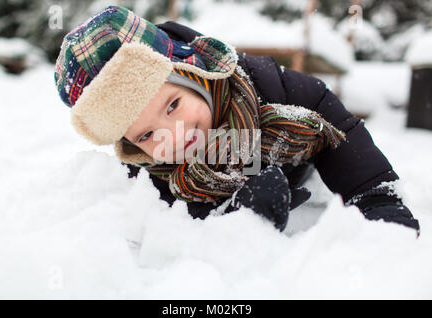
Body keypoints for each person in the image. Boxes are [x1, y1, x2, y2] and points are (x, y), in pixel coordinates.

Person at [54, 5, 419, 234]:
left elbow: (342, 138)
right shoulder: (151, 171)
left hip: (296, 154)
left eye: (172, 107)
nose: (174, 136)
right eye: (147, 133)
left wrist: (376, 199)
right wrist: (239, 216)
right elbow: (172, 222)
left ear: (195, 75)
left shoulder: (276, 87)